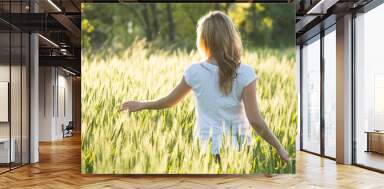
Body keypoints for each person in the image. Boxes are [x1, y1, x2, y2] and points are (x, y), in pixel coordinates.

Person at [120, 11, 289, 163]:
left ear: (203, 40)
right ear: (231, 36)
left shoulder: (195, 72)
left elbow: (170, 101)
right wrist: (278, 146)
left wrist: (142, 105)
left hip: (207, 149)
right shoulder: (246, 73)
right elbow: (255, 121)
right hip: (240, 149)